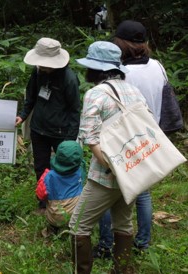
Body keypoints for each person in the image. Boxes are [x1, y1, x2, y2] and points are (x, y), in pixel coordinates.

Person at [69, 41, 147, 274]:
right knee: (123, 223)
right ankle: (121, 270)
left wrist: (113, 167)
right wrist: (127, 168)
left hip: (106, 175)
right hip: (135, 169)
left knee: (78, 226)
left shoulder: (95, 94)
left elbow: (91, 139)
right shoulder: (133, 90)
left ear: (97, 69)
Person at [94, 20, 166, 259]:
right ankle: (142, 242)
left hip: (122, 138)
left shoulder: (123, 72)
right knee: (142, 192)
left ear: (120, 43)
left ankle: (106, 244)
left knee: (107, 191)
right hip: (150, 136)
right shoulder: (158, 66)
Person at [15, 37, 81, 211]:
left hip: (61, 132)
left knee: (63, 169)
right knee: (40, 166)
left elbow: (75, 110)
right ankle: (43, 202)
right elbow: (31, 96)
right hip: (39, 129)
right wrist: (22, 116)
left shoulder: (69, 79)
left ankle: (64, 203)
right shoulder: (38, 72)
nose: (42, 66)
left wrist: (70, 141)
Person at [36, 140, 85, 237]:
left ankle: (52, 230)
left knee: (52, 207)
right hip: (77, 216)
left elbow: (40, 195)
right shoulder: (80, 171)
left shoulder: (49, 176)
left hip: (55, 216)